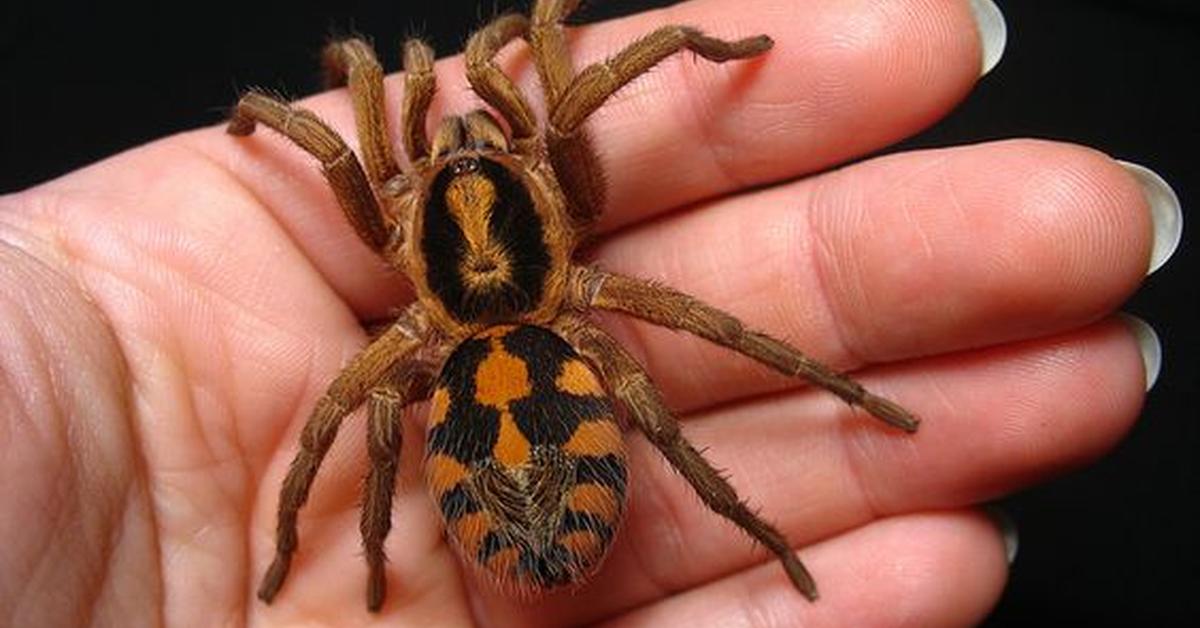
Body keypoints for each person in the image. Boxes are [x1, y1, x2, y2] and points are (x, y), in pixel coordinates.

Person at [0, 0, 1179, 625]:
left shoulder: (411, 330)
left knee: (350, 421)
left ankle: (826, 434)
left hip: (477, 358)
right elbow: (335, 102)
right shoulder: (586, 272)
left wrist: (686, 39)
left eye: (482, 149)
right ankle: (806, 466)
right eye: (465, 155)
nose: (469, 149)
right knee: (644, 392)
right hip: (544, 344)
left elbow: (319, 101)